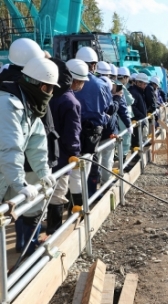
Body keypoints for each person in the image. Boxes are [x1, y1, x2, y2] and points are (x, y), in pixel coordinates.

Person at [0, 57, 59, 255]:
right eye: (50, 89)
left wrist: (43, 173)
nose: (51, 94)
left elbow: (37, 144)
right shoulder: (7, 105)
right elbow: (10, 148)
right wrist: (20, 185)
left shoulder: (28, 106)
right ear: (41, 87)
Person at [47, 59, 88, 234]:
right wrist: (74, 154)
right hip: (62, 156)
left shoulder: (48, 94)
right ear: (76, 81)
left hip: (44, 153)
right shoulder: (71, 102)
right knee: (58, 194)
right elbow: (72, 134)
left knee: (45, 194)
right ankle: (53, 232)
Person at [74, 47, 112, 196]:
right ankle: (89, 196)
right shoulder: (101, 84)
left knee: (71, 168)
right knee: (90, 165)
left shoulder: (67, 82)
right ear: (93, 65)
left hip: (71, 131)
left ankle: (74, 200)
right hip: (92, 133)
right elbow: (107, 107)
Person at [117, 67, 134, 161]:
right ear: (124, 77)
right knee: (125, 138)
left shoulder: (114, 84)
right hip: (123, 119)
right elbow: (130, 100)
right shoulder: (121, 86)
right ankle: (122, 163)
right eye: (127, 78)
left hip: (118, 118)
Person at [128, 73, 148, 150]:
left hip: (139, 120)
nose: (145, 85)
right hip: (136, 121)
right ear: (139, 83)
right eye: (144, 83)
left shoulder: (139, 91)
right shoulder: (134, 92)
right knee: (135, 141)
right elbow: (133, 107)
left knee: (138, 140)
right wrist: (141, 116)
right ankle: (135, 158)